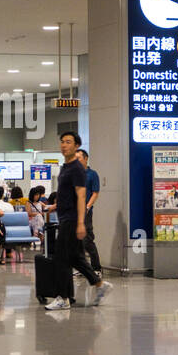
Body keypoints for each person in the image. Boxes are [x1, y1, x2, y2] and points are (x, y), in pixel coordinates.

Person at [44, 132, 112, 312]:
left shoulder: (77, 169)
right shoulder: (65, 167)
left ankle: (63, 298)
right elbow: (67, 194)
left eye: (68, 142)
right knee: (75, 257)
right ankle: (99, 284)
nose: (64, 145)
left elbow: (82, 196)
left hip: (72, 219)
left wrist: (81, 222)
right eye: (62, 141)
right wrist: (55, 206)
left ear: (76, 146)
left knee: (61, 259)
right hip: (65, 216)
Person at [78, 149, 102, 275]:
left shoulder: (92, 174)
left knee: (87, 239)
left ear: (86, 158)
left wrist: (87, 207)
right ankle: (83, 269)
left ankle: (96, 268)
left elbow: (95, 193)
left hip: (85, 212)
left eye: (79, 158)